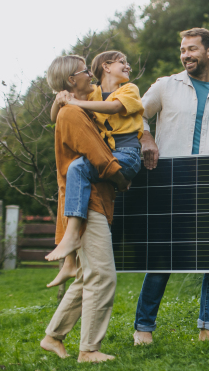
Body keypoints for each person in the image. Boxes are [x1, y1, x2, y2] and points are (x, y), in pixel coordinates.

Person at [133, 27, 209, 345]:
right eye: (183, 50)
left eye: (192, 49)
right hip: (169, 181)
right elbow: (135, 114)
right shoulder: (166, 86)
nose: (185, 55)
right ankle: (143, 329)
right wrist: (147, 137)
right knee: (163, 256)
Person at [40, 55, 130, 363]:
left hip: (91, 202)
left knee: (86, 276)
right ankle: (89, 350)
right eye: (83, 72)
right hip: (88, 203)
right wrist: (121, 178)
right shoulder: (73, 115)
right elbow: (98, 157)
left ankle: (53, 336)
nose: (90, 75)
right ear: (70, 81)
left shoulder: (78, 107)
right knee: (103, 275)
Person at [45, 51, 143, 288]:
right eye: (123, 62)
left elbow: (114, 108)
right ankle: (70, 257)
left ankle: (71, 238)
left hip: (127, 155)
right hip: (109, 154)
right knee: (69, 178)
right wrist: (60, 101)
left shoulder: (129, 90)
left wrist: (75, 102)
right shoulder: (94, 92)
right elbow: (57, 117)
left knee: (76, 168)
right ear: (107, 67)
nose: (128, 66)